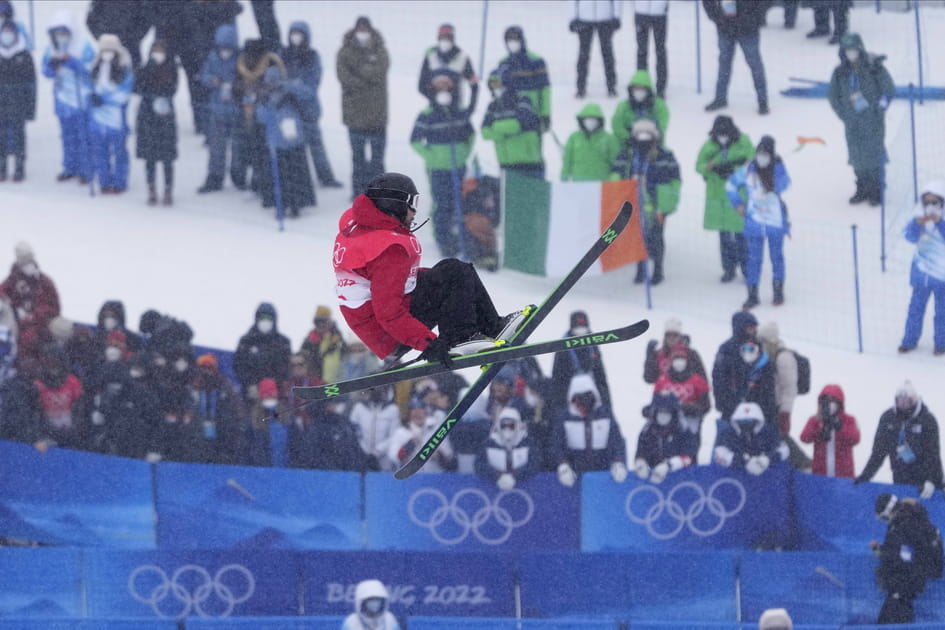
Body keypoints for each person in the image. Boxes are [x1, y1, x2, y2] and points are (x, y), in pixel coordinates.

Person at [332, 172, 528, 366]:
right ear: (394, 205)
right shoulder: (389, 251)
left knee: (452, 270)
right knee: (453, 274)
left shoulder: (362, 225)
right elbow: (388, 313)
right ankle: (461, 337)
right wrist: (428, 343)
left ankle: (492, 326)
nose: (414, 212)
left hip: (375, 325)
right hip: (389, 333)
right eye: (412, 204)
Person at [410, 69, 476, 258]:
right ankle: (443, 238)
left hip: (458, 166)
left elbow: (470, 135)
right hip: (438, 168)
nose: (443, 89)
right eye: (439, 85)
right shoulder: (427, 114)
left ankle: (460, 237)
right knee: (442, 202)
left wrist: (464, 152)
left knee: (460, 201)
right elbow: (415, 140)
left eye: (447, 84)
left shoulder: (459, 112)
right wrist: (432, 157)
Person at [610, 117, 681, 285]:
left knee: (656, 236)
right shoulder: (627, 154)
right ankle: (640, 270)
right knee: (637, 237)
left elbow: (674, 179)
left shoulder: (665, 155)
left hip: (656, 203)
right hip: (632, 202)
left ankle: (658, 270)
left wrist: (665, 205)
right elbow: (616, 173)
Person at [828, 33, 894, 207]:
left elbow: (888, 89)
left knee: (874, 152)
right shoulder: (840, 72)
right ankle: (862, 187)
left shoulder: (874, 67)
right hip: (853, 123)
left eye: (853, 49)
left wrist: (880, 108)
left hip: (873, 120)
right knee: (856, 155)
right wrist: (845, 115)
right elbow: (833, 97)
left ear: (860, 49)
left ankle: (877, 188)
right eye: (847, 50)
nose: (851, 53)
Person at [726, 135, 791, 309]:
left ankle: (778, 290)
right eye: (759, 153)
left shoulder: (778, 168)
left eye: (765, 153)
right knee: (753, 259)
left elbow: (785, 185)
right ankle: (752, 294)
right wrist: (737, 204)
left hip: (775, 222)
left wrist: (775, 175)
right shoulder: (748, 169)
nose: (761, 156)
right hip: (754, 222)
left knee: (777, 257)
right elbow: (731, 185)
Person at [855, 381, 943, 498]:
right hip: (900, 476)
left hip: (923, 478)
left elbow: (933, 454)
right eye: (900, 400)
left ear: (914, 400)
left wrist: (932, 480)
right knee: (903, 510)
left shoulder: (927, 420)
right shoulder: (888, 418)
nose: (903, 404)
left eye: (907, 400)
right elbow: (878, 452)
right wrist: (866, 475)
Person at [283, 20, 342, 189]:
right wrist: (293, 85)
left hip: (309, 110)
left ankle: (326, 177)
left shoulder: (312, 57)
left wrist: (292, 86)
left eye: (299, 34)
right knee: (292, 146)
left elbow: (311, 87)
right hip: (288, 110)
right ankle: (297, 179)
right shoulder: (283, 54)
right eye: (293, 33)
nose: (296, 37)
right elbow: (277, 79)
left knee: (316, 146)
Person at [696, 115, 754, 283]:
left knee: (742, 236)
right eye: (719, 133)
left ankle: (746, 268)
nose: (722, 136)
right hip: (718, 196)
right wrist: (712, 168)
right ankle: (728, 269)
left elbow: (752, 162)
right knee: (724, 238)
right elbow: (698, 165)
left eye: (725, 133)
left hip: (737, 197)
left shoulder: (743, 142)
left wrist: (733, 168)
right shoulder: (709, 146)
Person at [871, 493, 944, 624]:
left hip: (905, 585)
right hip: (908, 584)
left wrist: (883, 556)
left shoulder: (904, 526)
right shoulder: (910, 520)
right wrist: (882, 551)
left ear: (889, 512)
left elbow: (904, 559)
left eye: (883, 517)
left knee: (892, 619)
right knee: (895, 616)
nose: (885, 520)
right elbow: (902, 552)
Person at [337, 16, 390, 198]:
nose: (363, 33)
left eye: (365, 29)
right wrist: (366, 73)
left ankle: (378, 193)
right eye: (359, 29)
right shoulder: (344, 52)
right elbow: (344, 77)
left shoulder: (381, 51)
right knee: (357, 159)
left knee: (377, 160)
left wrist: (358, 72)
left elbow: (378, 73)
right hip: (354, 116)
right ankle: (358, 193)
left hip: (377, 116)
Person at [255, 65, 317, 217]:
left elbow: (308, 95)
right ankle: (279, 204)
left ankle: (296, 203)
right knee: (278, 177)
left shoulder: (292, 92)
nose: (273, 84)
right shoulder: (264, 97)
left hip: (294, 142)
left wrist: (289, 86)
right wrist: (263, 102)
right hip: (275, 143)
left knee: (295, 175)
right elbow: (261, 117)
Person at [42, 10, 95, 184]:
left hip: (81, 98)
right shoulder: (51, 49)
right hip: (63, 98)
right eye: (57, 33)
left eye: (64, 33)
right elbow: (46, 71)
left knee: (83, 136)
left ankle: (86, 169)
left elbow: (92, 68)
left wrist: (76, 64)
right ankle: (69, 167)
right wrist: (52, 66)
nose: (61, 37)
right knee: (67, 136)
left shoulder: (83, 46)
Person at [552, 373, 628, 487]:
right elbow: (557, 444)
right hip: (574, 477)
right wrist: (563, 464)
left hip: (602, 475)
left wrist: (618, 461)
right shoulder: (565, 417)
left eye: (587, 397)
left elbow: (616, 440)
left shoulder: (605, 414)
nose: (584, 402)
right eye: (579, 398)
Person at [234, 38, 285, 206]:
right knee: (249, 151)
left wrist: (259, 91)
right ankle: (251, 183)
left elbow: (275, 88)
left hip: (265, 118)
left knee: (266, 153)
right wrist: (243, 90)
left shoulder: (270, 65)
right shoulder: (240, 65)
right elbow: (236, 88)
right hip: (246, 115)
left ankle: (266, 186)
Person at [897, 181, 945, 355]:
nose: (931, 207)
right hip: (921, 275)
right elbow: (909, 237)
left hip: (942, 277)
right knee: (915, 310)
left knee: (942, 313)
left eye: (935, 202)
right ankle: (909, 341)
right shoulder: (918, 220)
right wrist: (917, 224)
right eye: (927, 202)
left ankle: (941, 344)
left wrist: (939, 223)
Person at [196, 24, 243, 194]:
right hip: (217, 109)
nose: (225, 50)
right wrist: (211, 80)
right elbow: (203, 76)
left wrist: (237, 86)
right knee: (217, 146)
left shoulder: (241, 59)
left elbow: (247, 79)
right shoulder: (212, 58)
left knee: (238, 147)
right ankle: (215, 177)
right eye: (222, 47)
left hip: (237, 110)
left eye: (228, 47)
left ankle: (239, 175)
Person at [703, 0, 770, 115]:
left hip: (749, 28)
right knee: (724, 64)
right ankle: (720, 98)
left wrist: (756, 17)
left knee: (755, 64)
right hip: (725, 28)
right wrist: (716, 17)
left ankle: (762, 100)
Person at [711, 311, 778, 427]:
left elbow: (768, 379)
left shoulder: (759, 348)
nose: (753, 331)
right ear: (740, 328)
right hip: (732, 408)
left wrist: (769, 407)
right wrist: (724, 404)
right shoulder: (726, 350)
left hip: (759, 409)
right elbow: (718, 379)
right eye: (749, 328)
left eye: (754, 328)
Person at [88, 34, 134, 195]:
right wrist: (91, 97)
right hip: (97, 118)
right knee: (100, 151)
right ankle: (104, 181)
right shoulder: (95, 67)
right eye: (104, 50)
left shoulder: (123, 68)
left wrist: (105, 99)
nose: (107, 53)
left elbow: (124, 93)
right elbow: (88, 87)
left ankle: (120, 181)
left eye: (110, 50)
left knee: (119, 151)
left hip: (116, 118)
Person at [0, 242, 60, 362]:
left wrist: (34, 316)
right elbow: (2, 291)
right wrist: (10, 305)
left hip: (40, 321)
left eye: (30, 262)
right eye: (25, 263)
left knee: (31, 337)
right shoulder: (13, 280)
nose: (28, 266)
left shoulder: (44, 282)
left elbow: (54, 307)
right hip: (17, 320)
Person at [134, 40, 178, 206]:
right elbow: (137, 87)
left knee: (167, 156)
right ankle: (151, 188)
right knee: (149, 156)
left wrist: (158, 90)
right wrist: (149, 76)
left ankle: (168, 189)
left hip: (165, 116)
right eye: (155, 51)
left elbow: (172, 89)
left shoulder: (171, 68)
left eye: (161, 50)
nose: (158, 54)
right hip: (147, 115)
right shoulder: (144, 68)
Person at [482, 67, 544, 180]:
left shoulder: (523, 100)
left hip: (529, 164)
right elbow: (485, 132)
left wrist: (496, 127)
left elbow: (519, 124)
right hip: (506, 164)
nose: (495, 88)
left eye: (497, 84)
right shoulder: (493, 106)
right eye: (492, 85)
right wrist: (507, 132)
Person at [550, 310, 612, 418]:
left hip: (591, 396)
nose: (581, 330)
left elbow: (601, 377)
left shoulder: (592, 345)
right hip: (570, 399)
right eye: (578, 327)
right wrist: (560, 407)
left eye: (583, 327)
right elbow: (557, 379)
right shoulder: (562, 347)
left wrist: (607, 404)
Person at [653, 343, 711, 458]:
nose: (679, 362)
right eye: (676, 358)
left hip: (690, 423)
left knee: (689, 455)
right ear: (671, 361)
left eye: (682, 358)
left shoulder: (697, 380)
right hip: (667, 424)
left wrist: (690, 408)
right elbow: (655, 403)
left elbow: (706, 405)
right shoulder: (662, 380)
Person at [0, 18, 36, 183]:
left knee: (19, 137)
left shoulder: (24, 55)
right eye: (4, 32)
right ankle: (2, 168)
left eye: (9, 33)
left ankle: (19, 168)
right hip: (1, 104)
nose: (6, 36)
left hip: (18, 104)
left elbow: (31, 84)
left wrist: (30, 109)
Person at [634, 391, 697, 483]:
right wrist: (640, 464)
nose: (663, 416)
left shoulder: (683, 430)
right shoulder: (647, 431)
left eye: (667, 412)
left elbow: (690, 455)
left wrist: (669, 465)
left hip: (682, 479)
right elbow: (641, 452)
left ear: (673, 414)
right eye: (660, 412)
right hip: (653, 480)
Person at [232, 303, 292, 400]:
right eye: (262, 317)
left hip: (276, 394)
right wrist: (250, 383)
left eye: (269, 318)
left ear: (274, 320)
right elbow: (238, 365)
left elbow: (286, 368)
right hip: (250, 394)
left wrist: (273, 384)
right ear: (256, 318)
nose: (265, 321)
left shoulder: (283, 342)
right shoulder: (246, 341)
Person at [799, 384, 860, 478]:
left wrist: (839, 427)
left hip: (843, 475)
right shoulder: (815, 419)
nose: (829, 403)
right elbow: (804, 438)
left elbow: (855, 439)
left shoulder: (849, 420)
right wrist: (818, 427)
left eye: (833, 400)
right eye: (826, 399)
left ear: (839, 402)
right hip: (821, 475)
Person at [498, 26, 550, 134]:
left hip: (534, 113)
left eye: (515, 39)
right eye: (509, 40)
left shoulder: (536, 61)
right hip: (511, 113)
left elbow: (545, 90)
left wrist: (545, 113)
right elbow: (496, 85)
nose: (512, 43)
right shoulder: (503, 63)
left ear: (522, 40)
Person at [713, 401, 790, 474]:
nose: (747, 425)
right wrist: (744, 462)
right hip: (734, 475)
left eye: (751, 421)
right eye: (743, 421)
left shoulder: (769, 432)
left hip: (767, 477)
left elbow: (784, 449)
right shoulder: (728, 433)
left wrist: (768, 459)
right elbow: (719, 453)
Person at [475, 406, 542, 490]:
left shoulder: (528, 442)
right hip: (493, 489)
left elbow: (535, 464)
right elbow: (479, 465)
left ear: (518, 425)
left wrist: (515, 476)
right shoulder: (489, 443)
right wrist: (498, 476)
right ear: (498, 425)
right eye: (504, 425)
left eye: (511, 425)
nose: (507, 429)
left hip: (524, 488)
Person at [417, 23, 479, 115]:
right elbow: (421, 85)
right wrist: (434, 98)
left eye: (448, 37)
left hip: (456, 109)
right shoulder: (430, 56)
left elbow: (474, 85)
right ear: (438, 38)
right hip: (434, 109)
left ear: (453, 39)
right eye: (442, 37)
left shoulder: (462, 57)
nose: (445, 40)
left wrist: (471, 108)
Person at [389, 396, 456, 473]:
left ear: (425, 412)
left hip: (434, 477)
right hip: (411, 478)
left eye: (420, 410)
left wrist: (438, 455)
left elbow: (449, 458)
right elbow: (395, 458)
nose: (418, 414)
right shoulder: (401, 432)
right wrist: (410, 444)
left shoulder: (437, 430)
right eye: (414, 411)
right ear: (409, 414)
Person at [570, 0, 621, 99]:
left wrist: (617, 15)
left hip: (605, 17)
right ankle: (581, 87)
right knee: (583, 55)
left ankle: (611, 86)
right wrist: (572, 18)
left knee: (607, 53)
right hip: (584, 17)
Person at [561, 104, 619, 182]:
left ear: (599, 121)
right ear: (582, 120)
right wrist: (564, 177)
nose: (590, 122)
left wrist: (615, 178)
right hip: (578, 184)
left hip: (601, 185)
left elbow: (616, 161)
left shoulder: (608, 138)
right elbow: (567, 161)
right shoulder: (574, 138)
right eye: (588, 118)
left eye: (594, 119)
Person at [611, 69, 669, 145]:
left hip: (654, 145)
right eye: (636, 88)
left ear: (648, 90)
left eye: (642, 89)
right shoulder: (623, 107)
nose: (639, 91)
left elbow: (662, 124)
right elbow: (617, 125)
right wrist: (628, 138)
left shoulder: (658, 106)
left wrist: (653, 136)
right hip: (627, 146)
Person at [349, 385, 400, 472]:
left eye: (380, 389)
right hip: (362, 456)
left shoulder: (392, 409)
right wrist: (364, 451)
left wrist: (377, 452)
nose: (377, 392)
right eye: (374, 389)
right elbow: (354, 432)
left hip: (384, 458)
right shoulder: (359, 408)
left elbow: (394, 436)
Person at [644, 317, 708, 384]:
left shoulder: (691, 354)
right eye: (669, 335)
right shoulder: (659, 354)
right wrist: (650, 357)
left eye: (675, 335)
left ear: (680, 336)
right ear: (665, 337)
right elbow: (649, 378)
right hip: (663, 392)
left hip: (688, 392)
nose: (671, 338)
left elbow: (703, 381)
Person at [300, 305, 347, 384]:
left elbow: (345, 357)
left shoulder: (337, 338)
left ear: (330, 321)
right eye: (318, 322)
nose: (321, 325)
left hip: (335, 380)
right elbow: (303, 357)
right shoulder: (309, 339)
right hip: (315, 381)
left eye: (324, 321)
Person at [633, 1, 668, 98]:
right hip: (641, 12)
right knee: (641, 51)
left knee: (660, 51)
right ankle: (641, 85)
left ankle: (661, 88)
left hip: (659, 13)